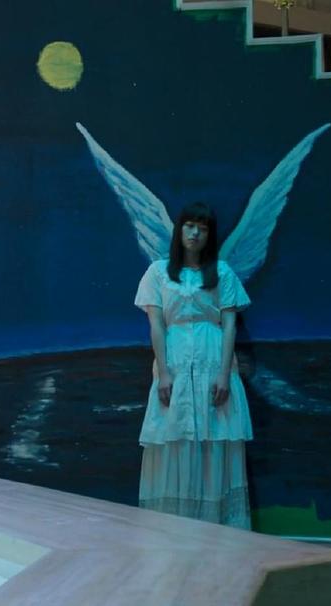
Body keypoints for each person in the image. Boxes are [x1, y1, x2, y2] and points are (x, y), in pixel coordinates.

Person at [133, 201, 253, 529]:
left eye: (202, 228)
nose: (195, 233)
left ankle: (217, 525)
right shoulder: (158, 272)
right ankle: (172, 527)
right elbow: (156, 324)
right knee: (174, 433)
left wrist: (224, 374)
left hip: (213, 358)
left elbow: (230, 325)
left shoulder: (222, 272)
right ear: (179, 229)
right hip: (174, 360)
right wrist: (164, 372)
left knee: (214, 433)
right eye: (189, 226)